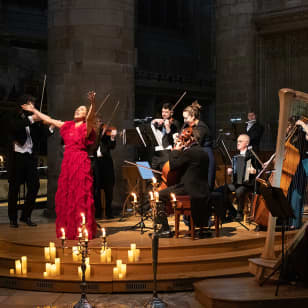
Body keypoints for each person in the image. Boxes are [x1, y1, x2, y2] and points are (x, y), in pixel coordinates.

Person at [21, 91, 97, 240]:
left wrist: (93, 104)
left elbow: (91, 118)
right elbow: (49, 119)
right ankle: (70, 227)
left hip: (80, 162)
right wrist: (34, 111)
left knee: (81, 195)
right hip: (68, 162)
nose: (78, 110)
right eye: (77, 108)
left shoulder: (87, 128)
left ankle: (82, 227)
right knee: (68, 195)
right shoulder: (67, 125)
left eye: (82, 109)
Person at [153, 127, 211, 238]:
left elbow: (174, 165)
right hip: (203, 189)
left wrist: (175, 151)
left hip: (189, 189)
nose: (183, 141)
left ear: (192, 138)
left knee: (159, 195)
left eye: (185, 139)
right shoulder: (204, 152)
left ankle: (164, 229)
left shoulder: (189, 152)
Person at [7, 95, 54, 228]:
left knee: (34, 186)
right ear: (23, 105)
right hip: (17, 156)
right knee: (14, 188)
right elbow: (15, 126)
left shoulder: (33, 121)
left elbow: (42, 135)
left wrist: (50, 126)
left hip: (30, 157)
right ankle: (13, 218)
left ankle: (26, 215)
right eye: (30, 105)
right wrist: (32, 118)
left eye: (33, 105)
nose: (32, 107)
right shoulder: (14, 116)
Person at [224, 134, 261, 221]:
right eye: (237, 141)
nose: (238, 143)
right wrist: (231, 172)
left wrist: (254, 171)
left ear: (247, 143)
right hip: (237, 183)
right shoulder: (236, 157)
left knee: (239, 191)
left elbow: (260, 169)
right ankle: (232, 211)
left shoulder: (252, 155)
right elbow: (236, 173)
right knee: (224, 189)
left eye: (240, 141)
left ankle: (239, 213)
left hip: (249, 184)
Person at [181, 101, 216, 191]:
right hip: (199, 156)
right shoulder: (189, 126)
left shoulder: (202, 127)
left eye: (186, 118)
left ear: (193, 116)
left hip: (206, 156)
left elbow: (196, 143)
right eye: (183, 118)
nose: (184, 121)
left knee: (206, 186)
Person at [92, 120, 117, 219]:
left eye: (100, 122)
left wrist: (112, 137)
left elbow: (112, 146)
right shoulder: (92, 135)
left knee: (109, 188)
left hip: (106, 163)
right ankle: (97, 213)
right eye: (96, 122)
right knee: (96, 189)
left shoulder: (106, 135)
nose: (99, 124)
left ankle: (109, 212)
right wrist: (99, 135)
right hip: (95, 163)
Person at [287, 119, 308, 229]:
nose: (287, 128)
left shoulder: (304, 133)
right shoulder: (291, 137)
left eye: (288, 125)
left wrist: (303, 124)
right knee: (290, 194)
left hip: (302, 167)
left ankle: (295, 222)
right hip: (290, 168)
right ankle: (287, 220)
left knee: (296, 195)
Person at [150, 102, 180, 171]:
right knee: (149, 173)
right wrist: (153, 121)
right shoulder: (159, 122)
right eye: (162, 112)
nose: (163, 114)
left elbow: (173, 139)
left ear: (171, 113)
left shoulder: (175, 124)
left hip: (166, 154)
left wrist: (168, 128)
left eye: (166, 112)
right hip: (156, 153)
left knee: (164, 174)